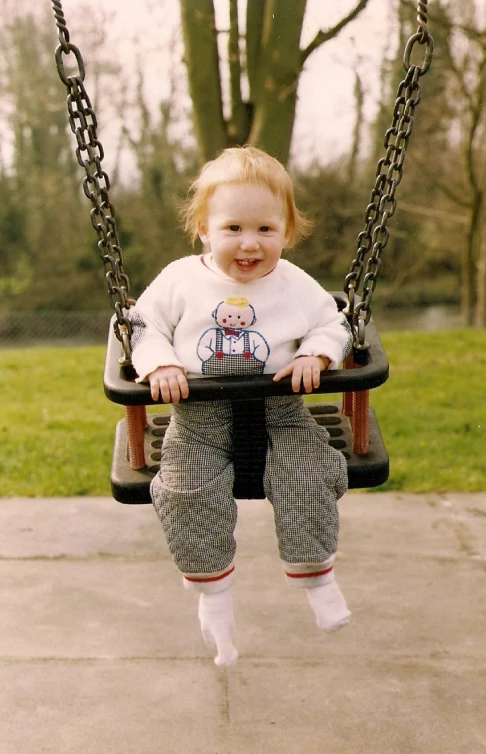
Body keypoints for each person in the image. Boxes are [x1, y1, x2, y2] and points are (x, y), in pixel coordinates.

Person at [129, 145, 352, 668]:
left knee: (309, 473)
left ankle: (318, 578)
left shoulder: (294, 283)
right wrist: (160, 364)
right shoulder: (181, 279)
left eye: (265, 230)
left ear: (287, 232)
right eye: (232, 228)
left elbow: (332, 322)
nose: (249, 243)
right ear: (204, 229)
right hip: (198, 417)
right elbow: (142, 327)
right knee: (186, 490)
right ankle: (216, 602)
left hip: (282, 413)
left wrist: (315, 353)